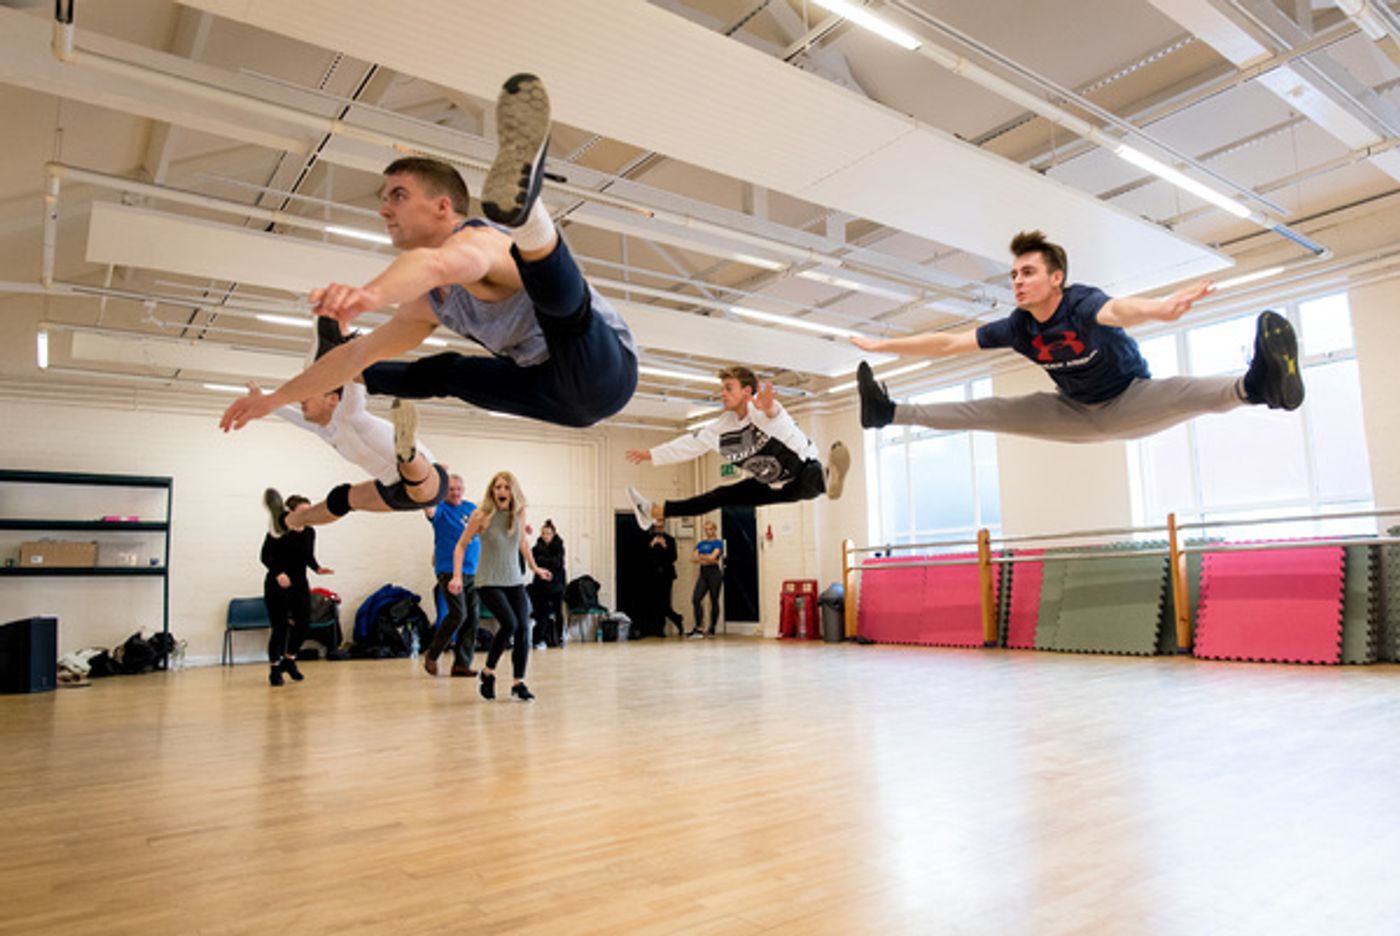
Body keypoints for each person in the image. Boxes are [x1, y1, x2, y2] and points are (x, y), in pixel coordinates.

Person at [218, 72, 638, 439]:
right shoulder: (429, 302)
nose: (384, 209)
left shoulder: (478, 243)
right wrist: (276, 400)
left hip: (607, 370)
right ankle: (530, 216)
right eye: (384, 199)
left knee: (563, 311)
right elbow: (354, 356)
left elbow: (436, 264)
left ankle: (529, 214)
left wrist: (370, 296)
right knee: (444, 373)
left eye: (398, 195)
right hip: (554, 395)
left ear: (442, 207)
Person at [852, 229, 1304, 442]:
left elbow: (1119, 310)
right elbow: (949, 343)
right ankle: (887, 413)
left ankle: (1259, 386)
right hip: (1070, 411)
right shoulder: (1018, 326)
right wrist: (884, 345)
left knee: (1186, 391)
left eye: (1028, 272)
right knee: (988, 410)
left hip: (1128, 401)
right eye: (1013, 274)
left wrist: (1160, 309)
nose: (1017, 281)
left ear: (1057, 278)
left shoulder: (1081, 304)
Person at [257, 318, 447, 534]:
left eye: (307, 397)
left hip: (426, 482)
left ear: (332, 400)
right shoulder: (323, 429)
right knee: (341, 499)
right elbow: (292, 416)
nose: (301, 401)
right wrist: (265, 402)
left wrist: (348, 343)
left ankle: (408, 454)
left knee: (419, 486)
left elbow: (353, 379)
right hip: (389, 489)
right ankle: (284, 522)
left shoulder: (350, 414)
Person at [623, 365, 851, 528]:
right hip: (772, 485)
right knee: (720, 495)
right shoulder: (721, 429)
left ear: (747, 391)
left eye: (728, 388)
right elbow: (688, 445)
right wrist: (650, 454)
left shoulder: (761, 409)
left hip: (801, 469)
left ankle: (828, 478)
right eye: (722, 388)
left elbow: (776, 418)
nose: (722, 393)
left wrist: (769, 408)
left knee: (810, 474)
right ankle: (653, 512)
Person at [449, 471, 551, 702]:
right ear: (492, 491)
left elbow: (522, 543)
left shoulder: (519, 514)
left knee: (524, 628)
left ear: (512, 491)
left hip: (514, 580)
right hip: (488, 581)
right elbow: (461, 545)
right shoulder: (481, 515)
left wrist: (534, 568)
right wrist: (456, 576)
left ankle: (518, 682)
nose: (501, 491)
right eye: (497, 487)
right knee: (510, 624)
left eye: (506, 487)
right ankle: (489, 672)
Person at [259, 492, 333, 686]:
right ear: (290, 512)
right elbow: (265, 556)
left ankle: (289, 660)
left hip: (299, 583)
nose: (307, 515)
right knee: (280, 628)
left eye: (309, 511)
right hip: (278, 584)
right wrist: (278, 573)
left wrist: (317, 568)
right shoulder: (278, 530)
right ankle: (275, 669)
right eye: (303, 511)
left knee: (303, 624)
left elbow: (308, 556)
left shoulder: (309, 531)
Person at [422, 473, 480, 677]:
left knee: (473, 618)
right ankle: (433, 653)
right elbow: (428, 509)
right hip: (449, 570)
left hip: (473, 571)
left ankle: (461, 664)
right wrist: (428, 483)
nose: (455, 493)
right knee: (458, 614)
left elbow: (486, 529)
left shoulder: (471, 509)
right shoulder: (440, 509)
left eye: (458, 489)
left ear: (463, 490)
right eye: (451, 489)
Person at [639, 518, 685, 639]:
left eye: (661, 526)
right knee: (653, 601)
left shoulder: (670, 539)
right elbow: (642, 557)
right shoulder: (647, 539)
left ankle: (669, 623)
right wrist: (651, 545)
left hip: (666, 575)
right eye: (657, 526)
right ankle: (663, 625)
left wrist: (665, 546)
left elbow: (673, 557)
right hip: (651, 575)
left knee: (664, 602)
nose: (659, 528)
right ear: (653, 527)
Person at [528, 520, 566, 648]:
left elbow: (558, 563)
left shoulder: (559, 547)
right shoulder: (536, 548)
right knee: (542, 613)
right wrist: (546, 562)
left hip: (557, 585)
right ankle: (541, 639)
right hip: (541, 586)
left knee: (558, 612)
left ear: (553, 534)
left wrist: (544, 561)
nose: (546, 536)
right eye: (543, 533)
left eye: (548, 533)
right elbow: (536, 562)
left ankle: (561, 637)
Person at [689, 520, 724, 639]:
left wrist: (702, 557)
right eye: (706, 530)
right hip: (703, 573)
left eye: (710, 529)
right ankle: (699, 626)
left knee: (714, 600)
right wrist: (706, 558)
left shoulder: (718, 543)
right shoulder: (701, 543)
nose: (708, 532)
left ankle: (712, 627)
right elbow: (693, 558)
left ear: (714, 530)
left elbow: (714, 558)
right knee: (696, 598)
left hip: (714, 573)